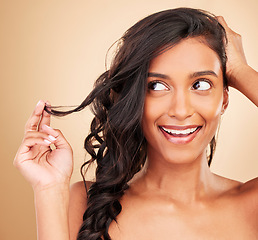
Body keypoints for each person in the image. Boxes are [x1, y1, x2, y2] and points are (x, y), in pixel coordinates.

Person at [14, 8, 258, 240]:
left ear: (225, 98)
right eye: (156, 86)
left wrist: (240, 70)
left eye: (201, 84)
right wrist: (49, 190)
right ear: (133, 98)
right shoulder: (86, 203)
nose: (181, 111)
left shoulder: (252, 205)